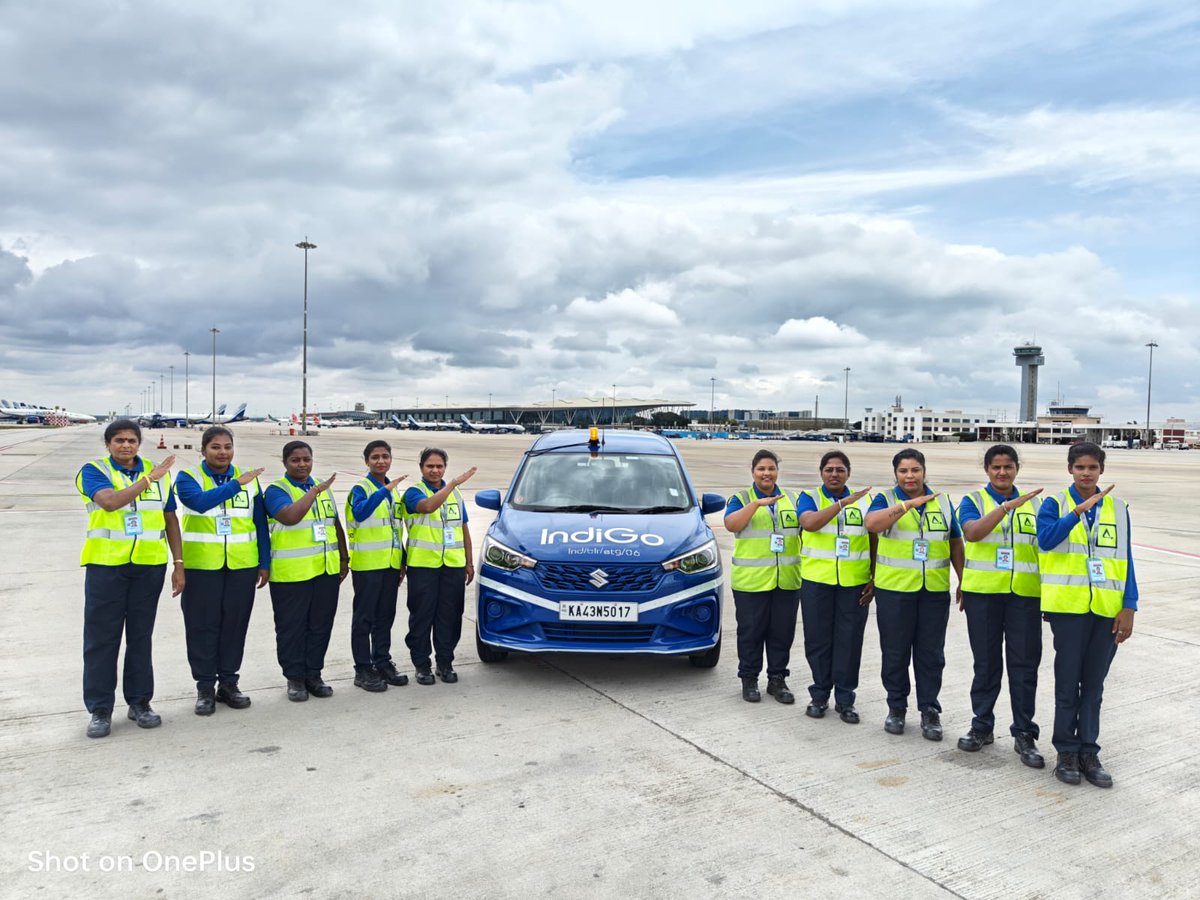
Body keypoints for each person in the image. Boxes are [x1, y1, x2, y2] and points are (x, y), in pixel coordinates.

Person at [1036, 442, 1137, 788]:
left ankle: (1088, 752)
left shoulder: (1119, 508)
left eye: (1092, 467)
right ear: (1070, 470)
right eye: (1079, 467)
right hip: (1068, 609)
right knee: (1068, 684)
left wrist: (1130, 606)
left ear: (1101, 470)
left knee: (1093, 686)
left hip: (1106, 610)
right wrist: (1077, 511)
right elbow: (1046, 540)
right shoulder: (1055, 504)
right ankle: (1065, 751)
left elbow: (1127, 561)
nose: (1086, 473)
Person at [75, 420, 183, 738]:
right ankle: (100, 709)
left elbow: (170, 519)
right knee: (101, 640)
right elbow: (110, 502)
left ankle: (139, 703)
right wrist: (150, 479)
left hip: (148, 567)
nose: (126, 445)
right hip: (106, 567)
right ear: (108, 444)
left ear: (139, 443)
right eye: (119, 440)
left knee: (140, 637)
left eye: (132, 440)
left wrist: (178, 563)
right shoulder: (93, 471)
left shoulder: (157, 472)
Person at [955, 444, 1046, 767]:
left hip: (1024, 596)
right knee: (986, 664)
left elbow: (1046, 552)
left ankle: (1024, 733)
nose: (1002, 472)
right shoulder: (973, 502)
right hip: (983, 595)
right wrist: (1006, 508)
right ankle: (982, 726)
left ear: (1017, 469)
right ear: (987, 470)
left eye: (1008, 467)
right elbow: (973, 533)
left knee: (1024, 667)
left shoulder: (1036, 506)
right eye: (996, 467)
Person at [865, 448, 963, 740]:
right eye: (903, 471)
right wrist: (908, 506)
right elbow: (872, 525)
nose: (910, 476)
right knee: (895, 653)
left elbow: (955, 541)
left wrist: (963, 579)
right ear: (895, 474)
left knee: (931, 655)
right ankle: (896, 707)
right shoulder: (886, 499)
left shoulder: (943, 502)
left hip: (933, 591)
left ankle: (929, 710)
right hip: (895, 591)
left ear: (924, 471)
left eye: (915, 470)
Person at [174, 426, 269, 716]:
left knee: (234, 625)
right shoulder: (189, 477)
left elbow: (259, 524)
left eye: (228, 446)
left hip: (241, 565)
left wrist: (264, 562)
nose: (223, 452)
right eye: (216, 447)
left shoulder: (249, 481)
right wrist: (236, 484)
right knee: (202, 627)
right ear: (203, 450)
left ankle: (229, 682)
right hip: (203, 566)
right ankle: (205, 687)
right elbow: (199, 503)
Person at [263, 440, 348, 701]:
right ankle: (295, 678)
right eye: (296, 460)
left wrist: (344, 558)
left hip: (324, 570)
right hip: (292, 574)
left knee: (320, 626)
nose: (302, 464)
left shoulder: (322, 487)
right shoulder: (277, 490)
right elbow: (290, 517)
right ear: (285, 463)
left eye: (306, 459)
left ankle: (314, 674)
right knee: (291, 628)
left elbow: (333, 523)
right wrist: (313, 492)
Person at [796, 450, 875, 722]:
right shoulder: (810, 498)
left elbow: (874, 540)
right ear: (821, 473)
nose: (834, 474)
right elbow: (810, 523)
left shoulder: (866, 503)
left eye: (840, 470)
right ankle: (819, 695)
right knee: (818, 640)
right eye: (829, 469)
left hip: (853, 583)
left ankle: (845, 699)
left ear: (848, 474)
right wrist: (841, 504)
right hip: (817, 582)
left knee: (850, 642)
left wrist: (872, 577)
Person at [723, 449, 802, 704]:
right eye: (761, 469)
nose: (766, 473)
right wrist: (756, 504)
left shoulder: (792, 498)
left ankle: (777, 679)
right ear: (753, 472)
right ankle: (749, 679)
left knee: (782, 633)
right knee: (751, 633)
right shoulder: (741, 498)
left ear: (777, 471)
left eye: (771, 469)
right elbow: (732, 525)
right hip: (751, 582)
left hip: (786, 580)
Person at [402, 448, 476, 685]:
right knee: (422, 616)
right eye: (429, 466)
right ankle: (422, 664)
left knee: (450, 616)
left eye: (439, 466)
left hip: (452, 565)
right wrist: (452, 484)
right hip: (423, 565)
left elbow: (463, 527)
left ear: (445, 466)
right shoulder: (414, 492)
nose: (435, 470)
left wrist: (469, 560)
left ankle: (445, 662)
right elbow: (427, 507)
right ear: (421, 467)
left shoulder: (456, 495)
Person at [345, 440, 409, 692]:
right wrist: (384, 490)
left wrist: (402, 559)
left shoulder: (393, 491)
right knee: (364, 618)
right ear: (367, 461)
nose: (381, 461)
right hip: (368, 565)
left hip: (391, 564)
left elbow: (395, 528)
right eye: (375, 457)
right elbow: (360, 513)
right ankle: (362, 668)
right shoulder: (360, 488)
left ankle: (382, 661)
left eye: (385, 456)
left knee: (385, 616)